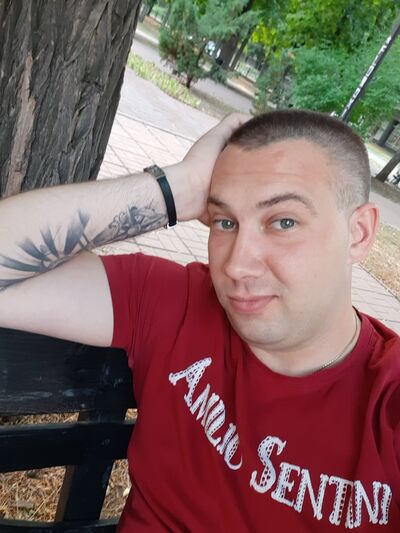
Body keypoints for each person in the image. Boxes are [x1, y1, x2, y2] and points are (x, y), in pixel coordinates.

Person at [0, 109, 399, 531]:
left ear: (358, 233)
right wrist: (178, 187)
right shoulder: (178, 302)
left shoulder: (386, 402)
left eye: (283, 222)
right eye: (225, 222)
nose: (237, 265)